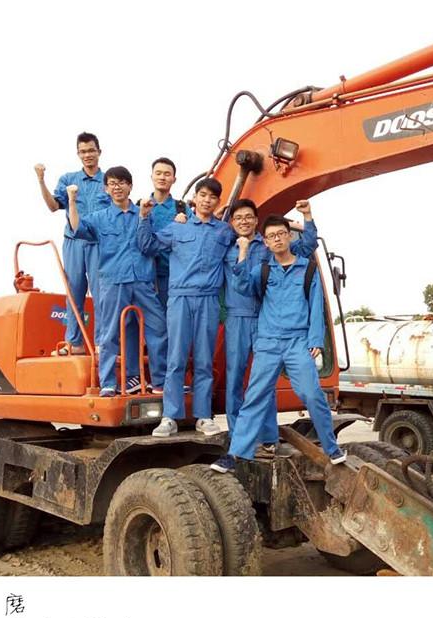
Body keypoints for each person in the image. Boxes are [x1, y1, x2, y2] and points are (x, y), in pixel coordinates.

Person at [211, 215, 347, 472]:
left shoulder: (307, 269)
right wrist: (242, 252)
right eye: (271, 236)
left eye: (281, 234)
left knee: (311, 394)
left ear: (288, 236)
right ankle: (235, 454)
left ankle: (332, 448)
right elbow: (242, 286)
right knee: (255, 397)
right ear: (266, 242)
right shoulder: (263, 270)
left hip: (297, 342)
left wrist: (315, 339)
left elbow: (316, 305)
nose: (277, 239)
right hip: (268, 343)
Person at [138, 178, 234, 436]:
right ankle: (169, 417)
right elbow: (148, 246)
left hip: (209, 300)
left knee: (204, 360)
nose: (207, 200)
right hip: (180, 298)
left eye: (212, 197)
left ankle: (203, 416)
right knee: (176, 358)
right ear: (195, 198)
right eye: (203, 195)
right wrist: (144, 217)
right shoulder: (177, 227)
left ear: (218, 201)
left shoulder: (224, 232)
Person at [223, 198, 318, 452]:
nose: (244, 222)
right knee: (235, 377)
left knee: (265, 381)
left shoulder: (269, 243)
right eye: (238, 218)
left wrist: (308, 217)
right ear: (232, 223)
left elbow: (307, 245)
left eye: (248, 217)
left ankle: (267, 436)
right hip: (237, 317)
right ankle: (237, 434)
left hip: (267, 319)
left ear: (256, 220)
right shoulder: (227, 248)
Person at [66, 166, 167, 397]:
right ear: (106, 189)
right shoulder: (99, 218)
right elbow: (76, 227)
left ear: (130, 186)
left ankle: (160, 381)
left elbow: (151, 243)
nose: (117, 187)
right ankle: (108, 383)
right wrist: (72, 201)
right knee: (109, 333)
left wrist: (146, 216)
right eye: (112, 183)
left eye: (121, 182)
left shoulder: (144, 212)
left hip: (142, 281)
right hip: (113, 282)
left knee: (158, 328)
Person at [35, 132, 111, 353]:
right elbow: (53, 206)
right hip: (74, 243)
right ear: (78, 154)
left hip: (99, 243)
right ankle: (74, 343)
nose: (87, 155)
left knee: (101, 293)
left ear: (99, 151)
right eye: (83, 151)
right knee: (74, 292)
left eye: (91, 150)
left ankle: (101, 343)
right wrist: (41, 180)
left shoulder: (109, 181)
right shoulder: (68, 179)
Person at [141, 157, 192, 308]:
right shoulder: (140, 207)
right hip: (145, 277)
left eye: (167, 174)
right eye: (158, 173)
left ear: (174, 179)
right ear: (151, 176)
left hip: (174, 277)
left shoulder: (182, 209)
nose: (162, 177)